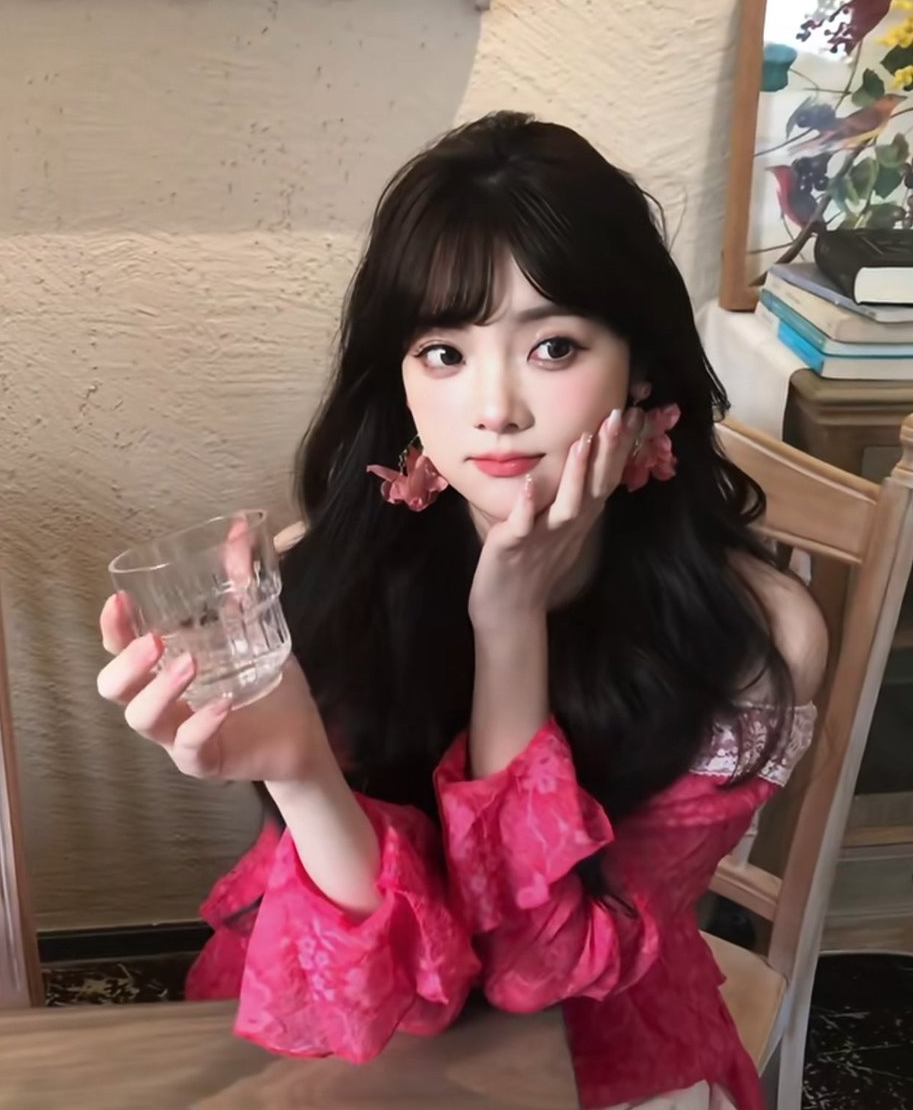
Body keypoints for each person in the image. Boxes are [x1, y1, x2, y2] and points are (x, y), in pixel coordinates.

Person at [97, 112, 827, 1110]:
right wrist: (301, 772)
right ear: (399, 381)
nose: (494, 410)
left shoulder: (750, 641)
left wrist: (509, 627)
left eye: (553, 347)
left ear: (642, 367)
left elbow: (538, 969)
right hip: (357, 1024)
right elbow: (381, 990)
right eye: (444, 352)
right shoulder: (324, 579)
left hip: (598, 1043)